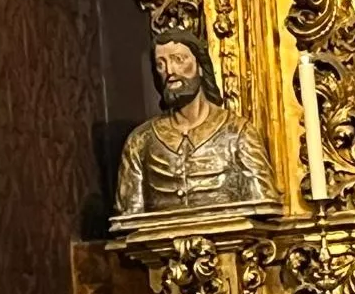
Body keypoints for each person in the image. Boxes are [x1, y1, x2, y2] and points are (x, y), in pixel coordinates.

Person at [113, 29, 281, 218]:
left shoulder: (238, 133)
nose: (170, 71)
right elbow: (129, 218)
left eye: (178, 59)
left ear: (200, 66)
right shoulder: (140, 141)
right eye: (161, 64)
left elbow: (265, 207)